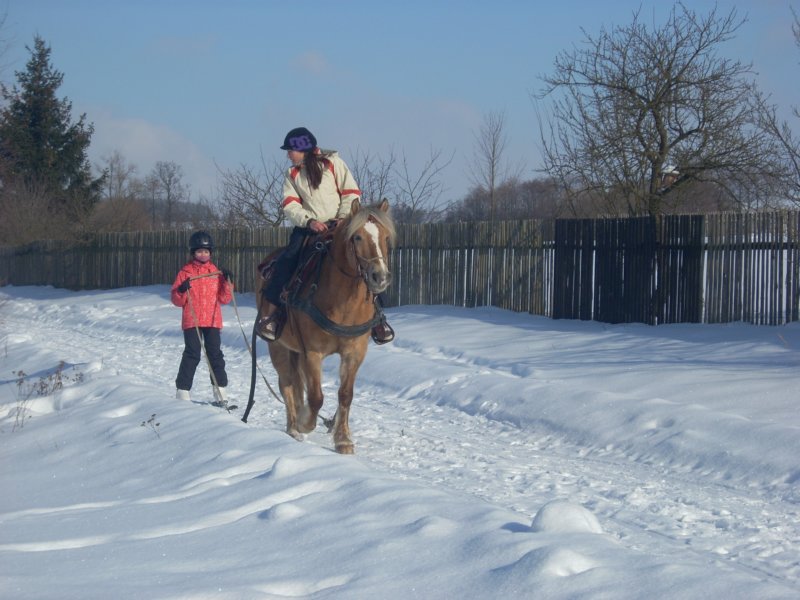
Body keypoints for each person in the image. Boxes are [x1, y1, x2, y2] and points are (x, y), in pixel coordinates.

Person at [256, 126, 394, 344]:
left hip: (341, 226)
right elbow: (290, 205)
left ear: (303, 149)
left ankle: (378, 318)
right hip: (308, 229)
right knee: (287, 261)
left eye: (291, 150)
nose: (288, 155)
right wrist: (309, 221)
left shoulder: (334, 164)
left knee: (361, 260)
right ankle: (274, 315)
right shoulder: (291, 174)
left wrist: (342, 218)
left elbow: (351, 192)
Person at [171, 230, 234, 407]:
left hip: (212, 320)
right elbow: (176, 299)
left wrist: (228, 282)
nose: (203, 254)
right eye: (199, 251)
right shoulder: (185, 272)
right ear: (193, 253)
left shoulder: (216, 273)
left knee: (215, 354)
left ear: (211, 253)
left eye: (206, 251)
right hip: (192, 320)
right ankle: (182, 392)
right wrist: (181, 290)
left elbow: (224, 299)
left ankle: (220, 391)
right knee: (192, 354)